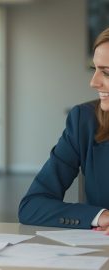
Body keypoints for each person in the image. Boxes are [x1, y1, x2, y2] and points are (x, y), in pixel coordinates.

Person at [19, 27, 109, 233]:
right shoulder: (84, 121)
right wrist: (100, 216)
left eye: (106, 72)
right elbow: (32, 206)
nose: (93, 82)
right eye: (94, 68)